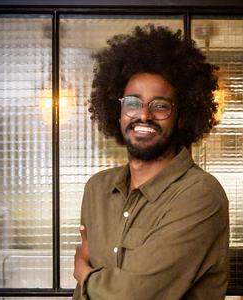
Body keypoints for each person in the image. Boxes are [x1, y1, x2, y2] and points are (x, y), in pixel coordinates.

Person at [72, 24, 229, 300]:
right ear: (117, 111)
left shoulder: (200, 195)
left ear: (182, 116)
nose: (143, 115)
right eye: (132, 103)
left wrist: (85, 276)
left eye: (160, 105)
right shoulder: (97, 189)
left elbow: (135, 295)